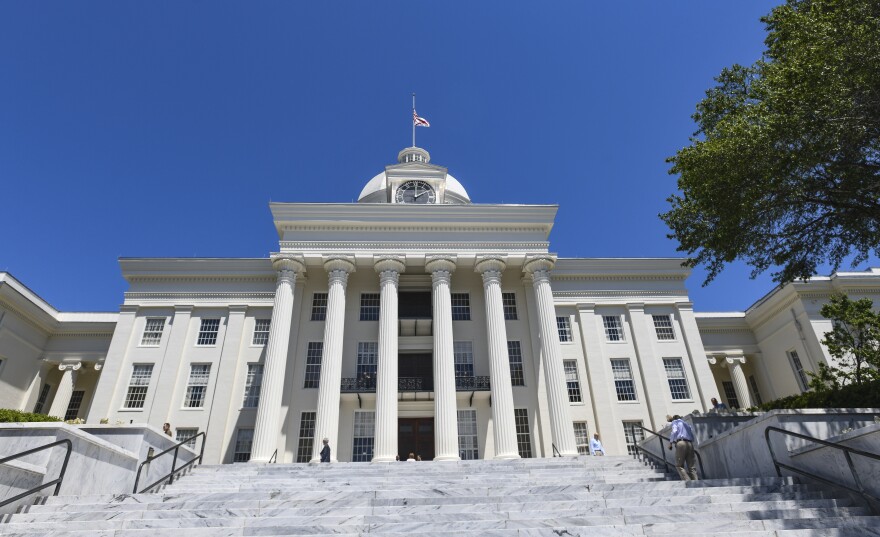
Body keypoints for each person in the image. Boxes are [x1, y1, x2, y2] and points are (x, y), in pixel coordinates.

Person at [668, 415, 698, 480]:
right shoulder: (686, 424)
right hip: (689, 443)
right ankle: (696, 482)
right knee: (691, 466)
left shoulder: (675, 422)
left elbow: (674, 431)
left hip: (681, 443)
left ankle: (688, 481)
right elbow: (692, 434)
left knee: (679, 465)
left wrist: (670, 443)